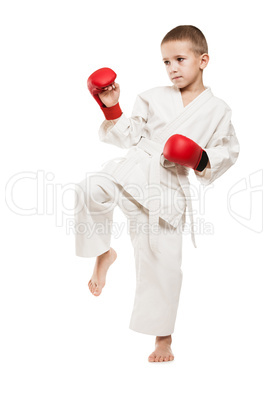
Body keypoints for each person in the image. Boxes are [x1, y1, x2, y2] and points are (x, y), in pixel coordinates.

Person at [74, 25, 240, 363]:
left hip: (167, 189)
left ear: (203, 60)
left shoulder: (218, 110)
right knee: (90, 188)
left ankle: (163, 340)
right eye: (166, 62)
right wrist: (111, 107)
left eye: (180, 59)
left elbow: (228, 150)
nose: (172, 68)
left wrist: (199, 157)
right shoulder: (151, 95)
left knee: (163, 264)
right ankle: (103, 252)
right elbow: (129, 136)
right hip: (135, 169)